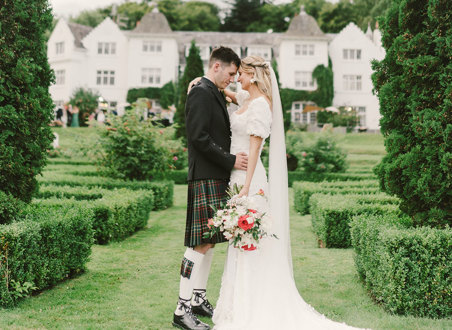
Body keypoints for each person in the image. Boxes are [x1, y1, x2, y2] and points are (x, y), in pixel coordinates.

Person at [194, 56, 360, 329]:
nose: (238, 79)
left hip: (249, 177)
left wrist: (246, 188)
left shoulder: (261, 106)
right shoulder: (247, 100)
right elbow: (228, 95)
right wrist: (204, 83)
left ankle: (254, 305)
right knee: (240, 241)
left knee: (251, 240)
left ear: (255, 77)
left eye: (243, 75)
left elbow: (255, 148)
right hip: (236, 174)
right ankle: (238, 304)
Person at [173, 46, 248, 330]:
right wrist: (231, 160)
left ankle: (197, 299)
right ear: (216, 67)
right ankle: (181, 309)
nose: (232, 78)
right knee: (199, 243)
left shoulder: (210, 89)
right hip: (205, 176)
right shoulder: (201, 92)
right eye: (230, 73)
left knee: (211, 240)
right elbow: (198, 138)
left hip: (215, 177)